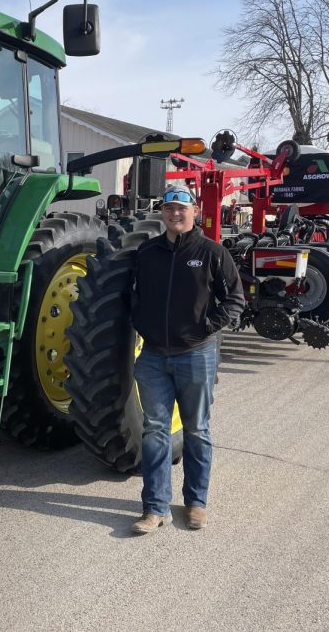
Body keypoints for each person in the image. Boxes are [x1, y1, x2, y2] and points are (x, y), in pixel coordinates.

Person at [129, 184, 246, 533]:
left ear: (195, 211)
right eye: (169, 209)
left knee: (196, 430)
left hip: (196, 354)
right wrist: (141, 322)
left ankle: (196, 502)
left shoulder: (211, 252)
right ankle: (155, 508)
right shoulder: (147, 252)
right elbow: (132, 295)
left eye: (181, 208)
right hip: (152, 356)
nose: (175, 214)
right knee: (154, 431)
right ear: (162, 213)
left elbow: (235, 299)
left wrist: (206, 328)